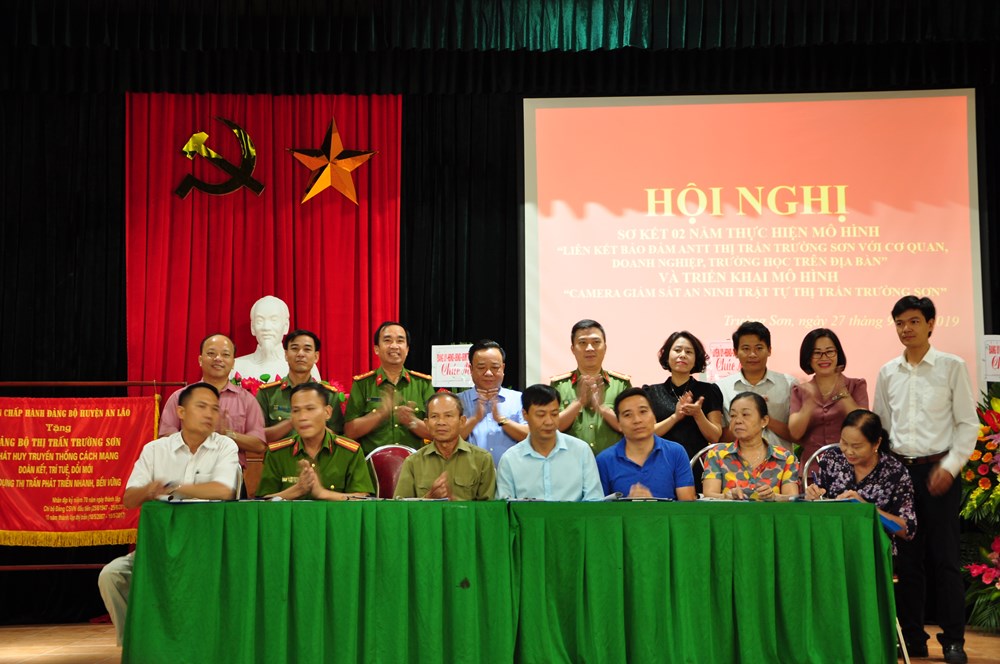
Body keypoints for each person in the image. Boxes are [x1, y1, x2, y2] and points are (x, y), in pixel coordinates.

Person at [872, 295, 978, 663]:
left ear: (931, 324)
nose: (906, 329)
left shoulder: (952, 366)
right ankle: (912, 639)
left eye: (914, 321)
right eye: (900, 323)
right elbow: (882, 428)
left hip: (940, 471)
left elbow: (967, 423)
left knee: (944, 559)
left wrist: (950, 466)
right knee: (907, 562)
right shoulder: (888, 372)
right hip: (901, 474)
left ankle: (953, 641)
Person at [98, 383, 240, 646]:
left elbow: (224, 490)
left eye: (215, 409)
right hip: (160, 547)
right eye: (201, 406)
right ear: (181, 412)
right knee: (111, 575)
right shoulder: (155, 450)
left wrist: (175, 487)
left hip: (205, 548)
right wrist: (148, 491)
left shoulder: (225, 446)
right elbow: (129, 499)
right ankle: (134, 644)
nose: (209, 414)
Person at [805, 409, 916, 551]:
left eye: (856, 446)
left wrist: (865, 508)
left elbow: (907, 530)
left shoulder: (895, 472)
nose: (848, 451)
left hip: (873, 550)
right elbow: (820, 505)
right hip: (832, 545)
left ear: (876, 443)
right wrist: (813, 496)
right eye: (844, 442)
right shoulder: (833, 459)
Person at [159, 333, 266, 469]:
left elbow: (259, 444)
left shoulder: (247, 400)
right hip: (186, 472)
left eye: (225, 354)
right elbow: (165, 438)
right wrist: (195, 436)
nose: (218, 359)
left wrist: (227, 434)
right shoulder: (179, 397)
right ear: (200, 359)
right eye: (211, 353)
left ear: (233, 363)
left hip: (230, 474)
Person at [256, 382, 374, 500]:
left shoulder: (350, 452)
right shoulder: (277, 453)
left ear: (327, 412)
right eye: (296, 410)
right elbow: (262, 502)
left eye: (310, 409)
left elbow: (362, 499)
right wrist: (297, 490)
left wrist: (322, 493)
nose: (302, 417)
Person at [496, 384, 603, 501]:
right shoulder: (510, 459)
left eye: (554, 414)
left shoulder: (581, 450)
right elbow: (504, 505)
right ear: (525, 414)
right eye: (541, 415)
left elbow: (594, 500)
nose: (549, 422)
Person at [344, 321, 435, 456]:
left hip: (414, 465)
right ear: (376, 349)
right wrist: (380, 414)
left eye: (400, 341)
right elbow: (349, 432)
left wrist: (412, 421)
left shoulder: (422, 384)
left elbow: (437, 432)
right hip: (372, 465)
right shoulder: (363, 384)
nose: (394, 346)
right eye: (387, 340)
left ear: (407, 349)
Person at [596, 387, 696, 500]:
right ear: (618, 424)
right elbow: (599, 509)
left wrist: (652, 505)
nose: (637, 420)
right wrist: (629, 505)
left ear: (654, 417)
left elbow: (687, 505)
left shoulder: (676, 452)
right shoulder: (604, 460)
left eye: (643, 411)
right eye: (628, 415)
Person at [394, 392, 497, 500]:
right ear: (427, 423)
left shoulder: (482, 460)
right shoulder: (413, 462)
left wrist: (454, 502)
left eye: (448, 416)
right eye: (434, 416)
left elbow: (488, 508)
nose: (441, 422)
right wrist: (429, 498)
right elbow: (400, 507)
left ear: (462, 421)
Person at [789, 328, 868, 467]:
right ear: (808, 357)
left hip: (852, 468)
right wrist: (809, 403)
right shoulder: (800, 390)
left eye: (830, 351)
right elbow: (795, 433)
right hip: (812, 470)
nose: (824, 357)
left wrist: (842, 392)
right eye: (817, 353)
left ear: (838, 354)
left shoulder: (856, 385)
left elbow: (863, 427)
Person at [551, 319, 632, 455]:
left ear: (605, 347)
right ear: (573, 349)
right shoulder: (559, 385)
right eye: (582, 343)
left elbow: (630, 427)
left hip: (612, 463)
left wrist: (602, 407)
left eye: (596, 342)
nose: (589, 348)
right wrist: (578, 402)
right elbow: (552, 427)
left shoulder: (621, 385)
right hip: (571, 461)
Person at [642, 330, 723, 461]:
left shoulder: (708, 390)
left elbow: (715, 437)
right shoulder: (651, 392)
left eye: (689, 352)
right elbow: (647, 433)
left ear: (696, 359)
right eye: (677, 350)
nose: (683, 355)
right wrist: (675, 417)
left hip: (697, 465)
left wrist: (698, 414)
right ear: (667, 355)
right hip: (660, 463)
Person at [716, 321, 798, 450]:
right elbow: (717, 437)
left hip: (780, 461)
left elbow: (797, 435)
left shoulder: (789, 384)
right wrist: (743, 419)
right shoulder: (721, 388)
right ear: (735, 352)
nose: (752, 354)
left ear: (769, 350)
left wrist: (763, 416)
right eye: (746, 349)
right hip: (734, 461)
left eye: (759, 348)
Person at [702, 391, 799, 500]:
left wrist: (774, 497)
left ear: (764, 421)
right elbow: (709, 495)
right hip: (729, 511)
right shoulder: (717, 454)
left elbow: (792, 498)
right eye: (733, 415)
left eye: (745, 415)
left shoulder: (784, 457)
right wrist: (726, 496)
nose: (738, 421)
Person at [256, 329, 344, 442]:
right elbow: (257, 437)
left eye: (307, 349)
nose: (300, 354)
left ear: (316, 356)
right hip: (280, 453)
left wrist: (315, 423)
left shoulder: (329, 394)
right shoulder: (268, 393)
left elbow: (338, 438)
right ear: (286, 355)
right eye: (294, 349)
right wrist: (292, 421)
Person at [458, 339, 528, 466]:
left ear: (503, 368)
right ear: (471, 369)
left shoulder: (520, 399)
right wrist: (475, 419)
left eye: (495, 367)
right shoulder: (457, 402)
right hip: (469, 475)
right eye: (481, 367)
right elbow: (448, 439)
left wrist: (501, 420)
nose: (489, 373)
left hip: (512, 474)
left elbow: (532, 437)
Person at [232, 295, 318, 381]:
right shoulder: (236, 366)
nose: (266, 327)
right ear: (252, 327)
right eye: (259, 321)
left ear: (286, 326)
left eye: (274, 320)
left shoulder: (305, 365)